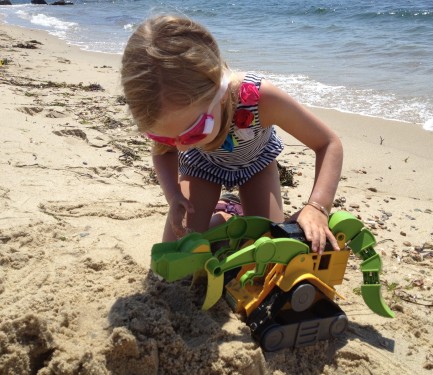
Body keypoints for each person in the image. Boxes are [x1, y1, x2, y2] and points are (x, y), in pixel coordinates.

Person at [121, 15, 343, 254]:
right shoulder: (171, 116)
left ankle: (232, 211)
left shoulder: (260, 98)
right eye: (162, 136)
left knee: (265, 246)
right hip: (201, 167)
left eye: (194, 133)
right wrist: (174, 196)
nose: (181, 148)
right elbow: (164, 153)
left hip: (255, 165)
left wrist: (318, 207)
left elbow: (329, 143)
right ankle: (225, 217)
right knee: (179, 252)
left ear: (221, 92)